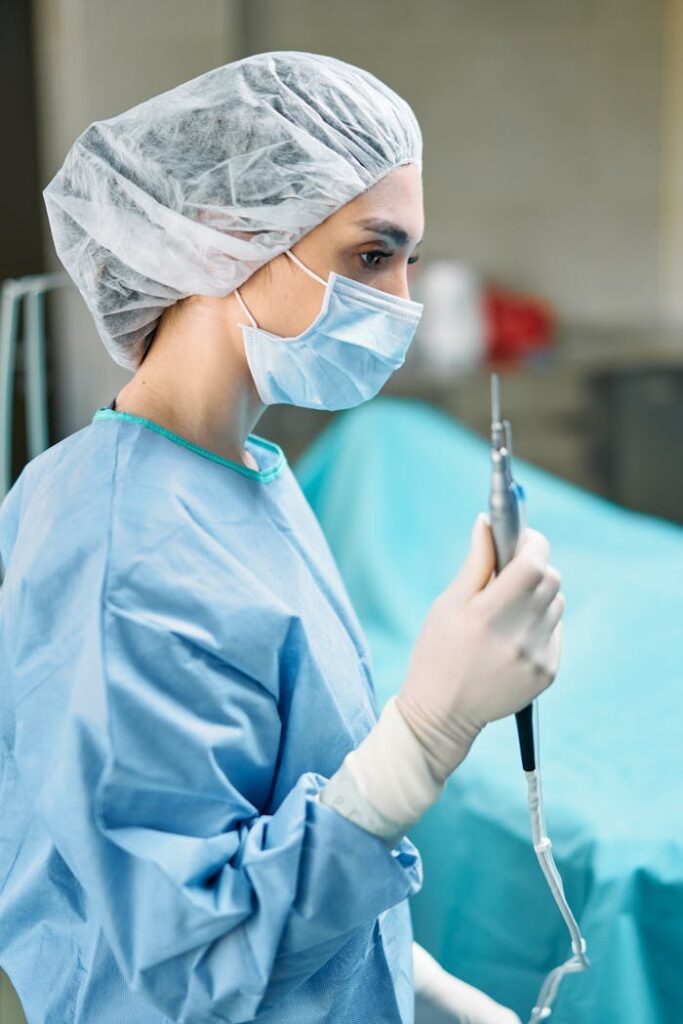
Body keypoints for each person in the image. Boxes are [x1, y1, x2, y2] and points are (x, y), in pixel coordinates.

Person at [0, 52, 563, 1024]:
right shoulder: (114, 552)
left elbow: (276, 806)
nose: (399, 302)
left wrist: (408, 981)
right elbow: (188, 956)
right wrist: (425, 734)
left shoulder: (246, 475)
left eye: (406, 261)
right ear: (225, 234)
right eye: (369, 255)